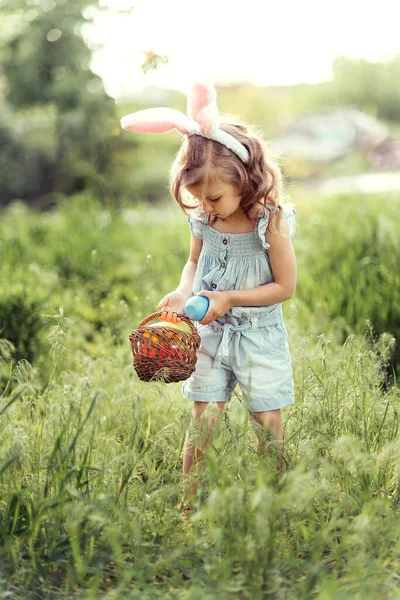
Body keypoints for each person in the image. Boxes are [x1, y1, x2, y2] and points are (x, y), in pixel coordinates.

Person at [121, 82, 296, 516]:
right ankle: (188, 507)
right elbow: (193, 260)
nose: (208, 207)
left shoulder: (270, 224)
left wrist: (230, 298)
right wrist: (184, 291)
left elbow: (284, 287)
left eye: (214, 197)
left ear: (244, 179)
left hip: (258, 336)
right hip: (209, 334)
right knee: (203, 420)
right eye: (199, 200)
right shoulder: (205, 217)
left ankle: (274, 507)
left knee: (267, 423)